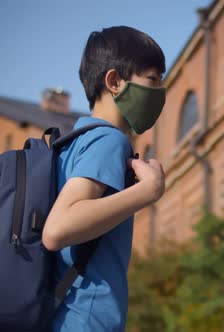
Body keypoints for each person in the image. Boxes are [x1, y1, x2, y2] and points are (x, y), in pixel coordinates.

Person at [42, 26, 167, 331]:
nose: (160, 91)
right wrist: (148, 192)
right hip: (86, 319)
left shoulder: (75, 142)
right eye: (152, 79)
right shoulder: (108, 140)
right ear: (114, 81)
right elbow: (57, 230)